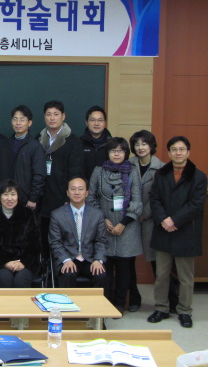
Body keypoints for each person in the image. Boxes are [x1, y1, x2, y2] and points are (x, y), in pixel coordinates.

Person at [147, 136, 207, 329]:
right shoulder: (161, 174)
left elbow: (196, 205)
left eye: (182, 149)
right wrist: (164, 219)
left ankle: (184, 311)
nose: (178, 153)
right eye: (174, 149)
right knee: (161, 275)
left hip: (186, 231)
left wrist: (174, 220)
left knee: (185, 277)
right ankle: (161, 308)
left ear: (188, 152)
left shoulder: (199, 176)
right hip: (163, 230)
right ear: (169, 152)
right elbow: (154, 199)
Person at [87, 137, 142, 313]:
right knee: (107, 267)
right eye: (113, 150)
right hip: (105, 226)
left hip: (127, 227)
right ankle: (107, 303)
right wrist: (102, 219)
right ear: (108, 153)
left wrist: (123, 224)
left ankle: (120, 303)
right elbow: (91, 197)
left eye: (120, 151)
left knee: (125, 267)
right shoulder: (98, 171)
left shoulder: (133, 171)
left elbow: (137, 201)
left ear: (126, 153)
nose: (116, 154)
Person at [37, 100, 84, 257]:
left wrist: (68, 198)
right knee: (42, 241)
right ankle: (45, 267)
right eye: (48, 114)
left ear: (63, 116)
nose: (52, 118)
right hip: (42, 199)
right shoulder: (38, 138)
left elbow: (76, 172)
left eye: (56, 114)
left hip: (62, 199)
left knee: (62, 244)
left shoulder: (73, 141)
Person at [128, 130, 167, 312]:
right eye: (137, 144)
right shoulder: (128, 165)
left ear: (151, 146)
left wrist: (145, 212)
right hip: (130, 219)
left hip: (151, 221)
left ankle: (167, 301)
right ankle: (134, 299)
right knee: (128, 261)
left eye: (144, 143)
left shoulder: (162, 168)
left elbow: (160, 195)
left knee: (157, 262)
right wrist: (134, 213)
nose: (140, 147)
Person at [49, 177, 108, 293]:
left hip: (90, 259)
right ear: (67, 192)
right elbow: (55, 242)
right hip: (68, 257)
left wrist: (98, 259)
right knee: (68, 273)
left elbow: (101, 241)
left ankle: (95, 305)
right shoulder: (57, 214)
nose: (77, 192)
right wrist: (65, 259)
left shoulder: (97, 214)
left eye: (80, 189)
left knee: (100, 274)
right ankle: (67, 304)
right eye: (73, 189)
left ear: (87, 193)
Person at [0, 179, 40, 288]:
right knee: (4, 279)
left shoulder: (28, 215)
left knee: (21, 280)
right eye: (5, 194)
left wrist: (23, 262)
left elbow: (35, 245)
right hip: (1, 263)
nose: (9, 198)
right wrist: (5, 262)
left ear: (18, 196)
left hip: (25, 263)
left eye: (13, 194)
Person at [10, 105, 46, 212]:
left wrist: (33, 198)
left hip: (26, 199)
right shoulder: (6, 143)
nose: (18, 123)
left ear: (29, 123)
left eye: (22, 120)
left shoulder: (35, 146)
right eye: (15, 119)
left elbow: (39, 174)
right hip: (8, 196)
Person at [81, 106, 112, 180]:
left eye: (100, 120)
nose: (96, 123)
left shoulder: (112, 144)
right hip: (84, 185)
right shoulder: (78, 143)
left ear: (105, 123)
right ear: (87, 123)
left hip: (107, 185)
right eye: (92, 120)